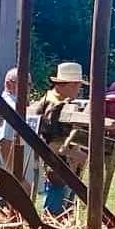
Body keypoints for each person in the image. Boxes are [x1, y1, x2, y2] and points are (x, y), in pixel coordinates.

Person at [32, 60, 86, 219]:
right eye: (77, 85)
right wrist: (79, 155)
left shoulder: (54, 100)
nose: (79, 89)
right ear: (69, 85)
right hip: (59, 167)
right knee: (55, 213)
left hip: (65, 165)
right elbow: (53, 145)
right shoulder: (55, 107)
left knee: (63, 209)